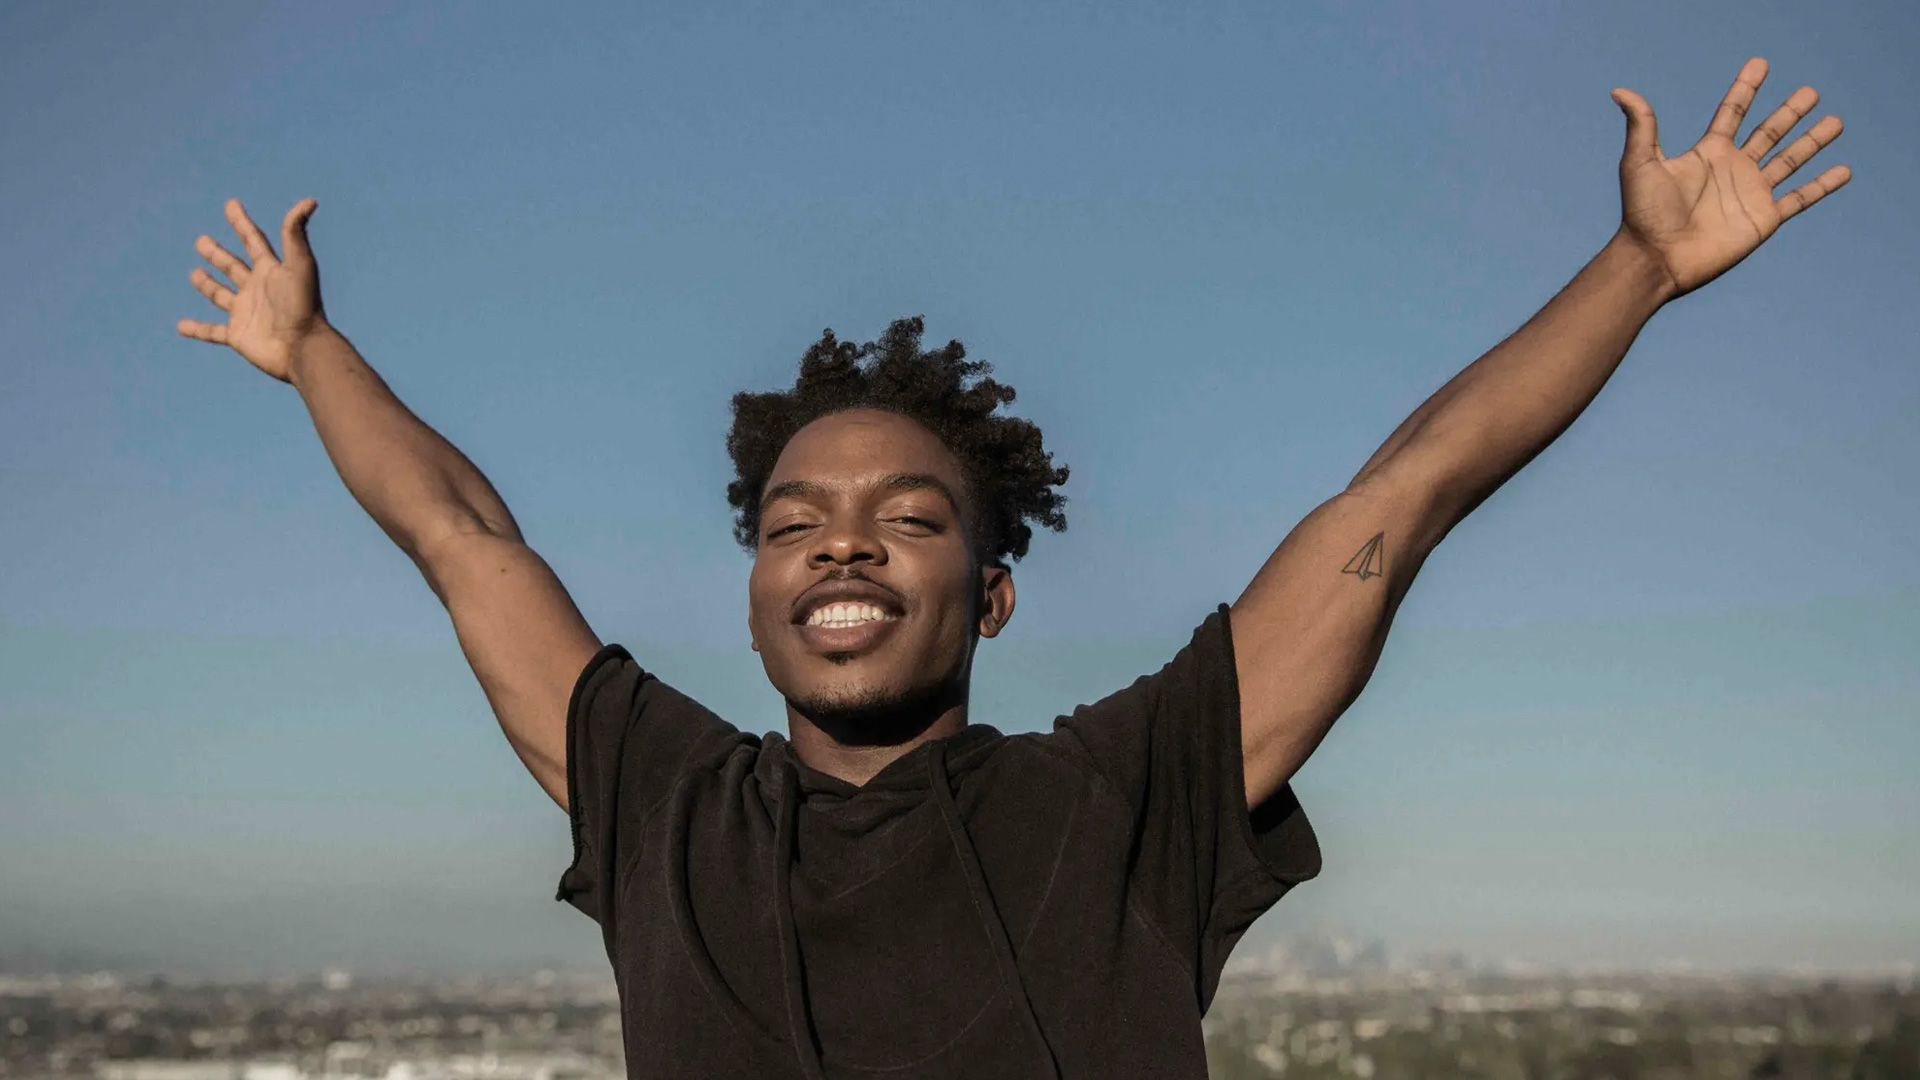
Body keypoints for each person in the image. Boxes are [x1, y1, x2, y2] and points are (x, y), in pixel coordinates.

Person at [175, 57, 1848, 1079]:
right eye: (790, 520)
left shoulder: (1121, 803)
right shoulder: (662, 804)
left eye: (910, 515)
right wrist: (311, 346)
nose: (839, 537)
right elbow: (462, 536)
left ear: (993, 592)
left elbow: (1401, 500)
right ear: (754, 594)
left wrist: (1636, 267)